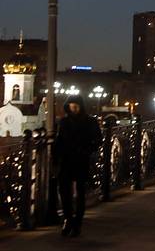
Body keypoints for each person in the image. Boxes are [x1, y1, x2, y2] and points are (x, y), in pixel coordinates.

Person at [53, 95, 101, 236]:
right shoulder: (64, 122)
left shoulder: (90, 121)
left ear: (81, 107)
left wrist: (86, 150)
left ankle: (77, 222)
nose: (73, 109)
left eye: (76, 106)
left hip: (81, 160)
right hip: (66, 160)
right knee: (64, 191)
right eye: (71, 106)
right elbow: (59, 140)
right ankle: (68, 219)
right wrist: (55, 158)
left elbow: (97, 140)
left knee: (80, 192)